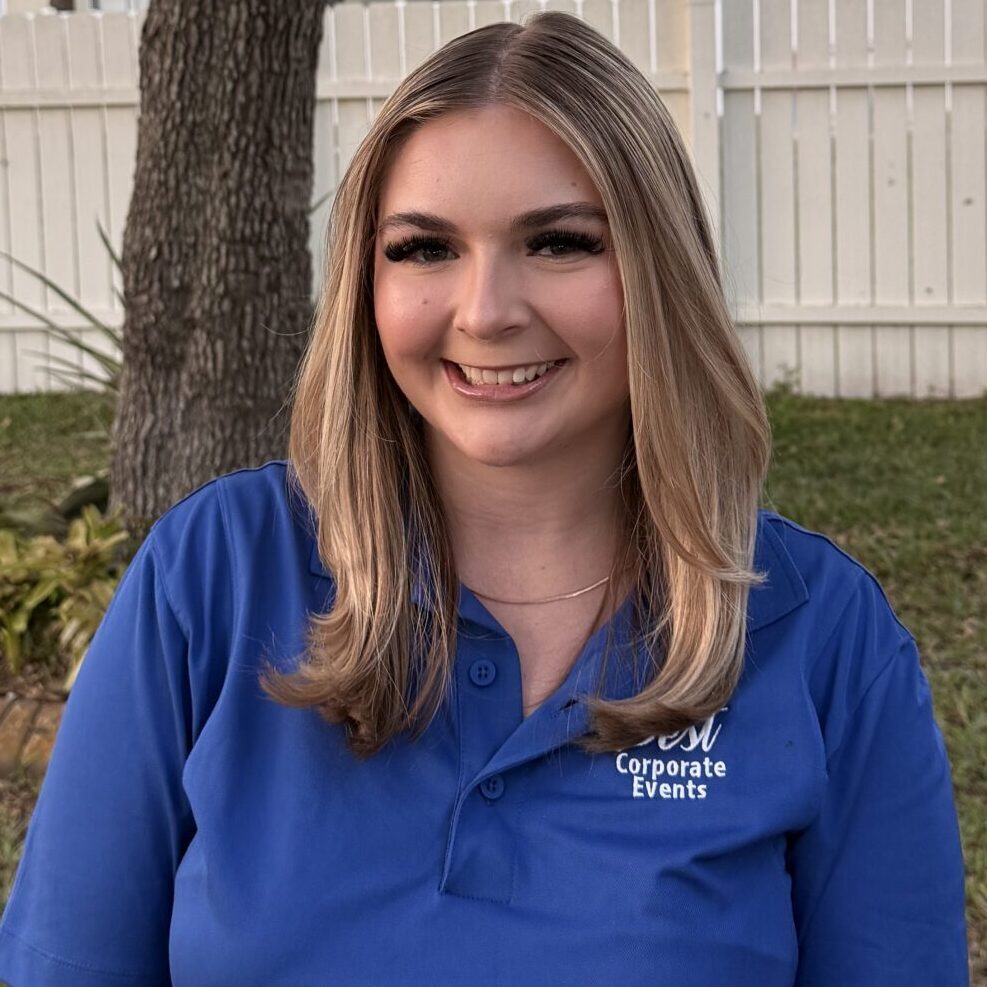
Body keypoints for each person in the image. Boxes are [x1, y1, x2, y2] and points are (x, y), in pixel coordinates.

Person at [0, 11, 968, 986]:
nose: (487, 311)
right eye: (425, 249)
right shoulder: (216, 575)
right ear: (366, 283)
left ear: (659, 268)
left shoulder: (821, 634)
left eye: (559, 242)